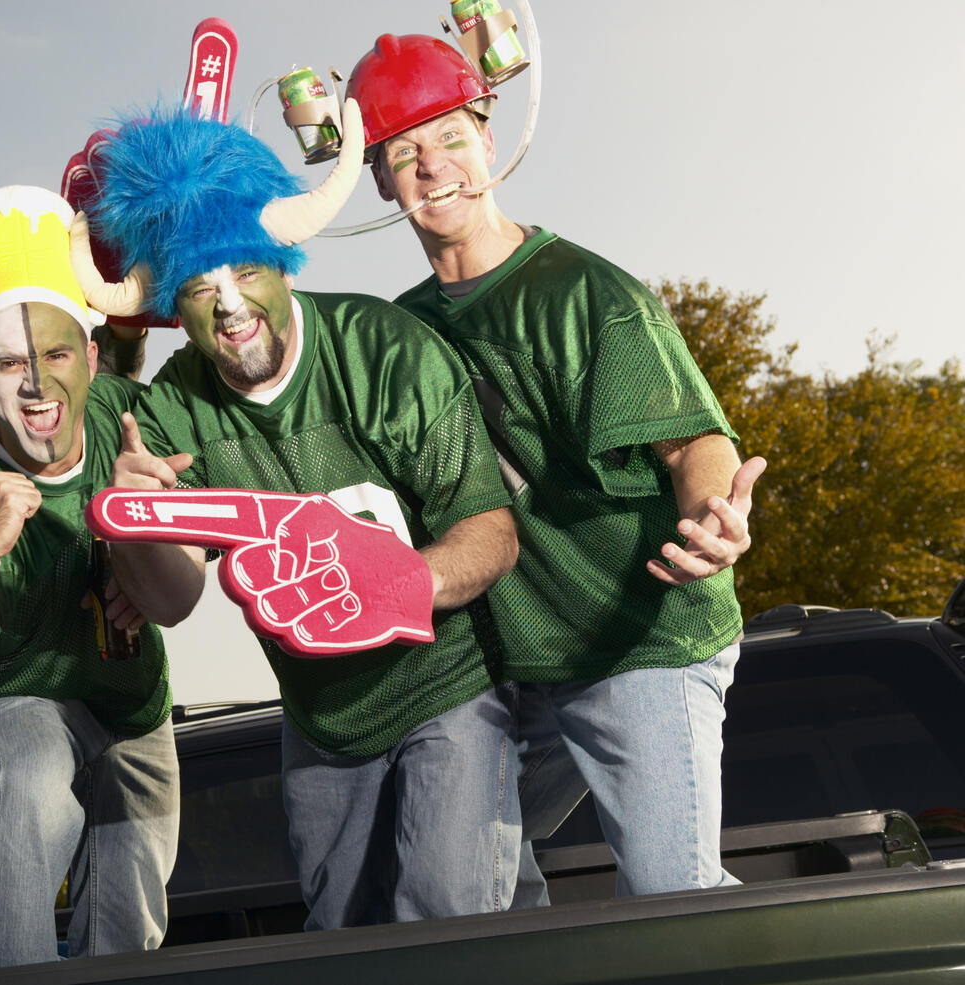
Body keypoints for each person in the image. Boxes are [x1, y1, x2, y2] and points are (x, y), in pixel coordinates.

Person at [75, 100, 522, 930]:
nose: (231, 306)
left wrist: (401, 578)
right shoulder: (173, 407)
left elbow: (490, 532)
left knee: (448, 915)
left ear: (284, 263)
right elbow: (170, 600)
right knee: (341, 940)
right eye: (200, 289)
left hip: (446, 686)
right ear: (178, 304)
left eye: (244, 271)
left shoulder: (385, 350)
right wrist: (142, 520)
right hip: (320, 720)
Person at [346, 33, 767, 900]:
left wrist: (715, 517)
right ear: (382, 181)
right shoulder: (397, 334)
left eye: (452, 138)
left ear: (490, 142)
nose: (434, 168)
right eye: (404, 153)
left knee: (671, 896)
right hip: (518, 665)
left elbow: (692, 441)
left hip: (639, 636)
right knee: (451, 879)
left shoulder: (587, 293)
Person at [0, 186, 185, 970]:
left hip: (129, 699)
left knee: (129, 904)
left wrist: (159, 530)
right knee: (36, 782)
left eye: (54, 356)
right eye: (9, 362)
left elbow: (224, 508)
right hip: (23, 693)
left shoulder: (134, 416)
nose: (36, 388)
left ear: (90, 357)